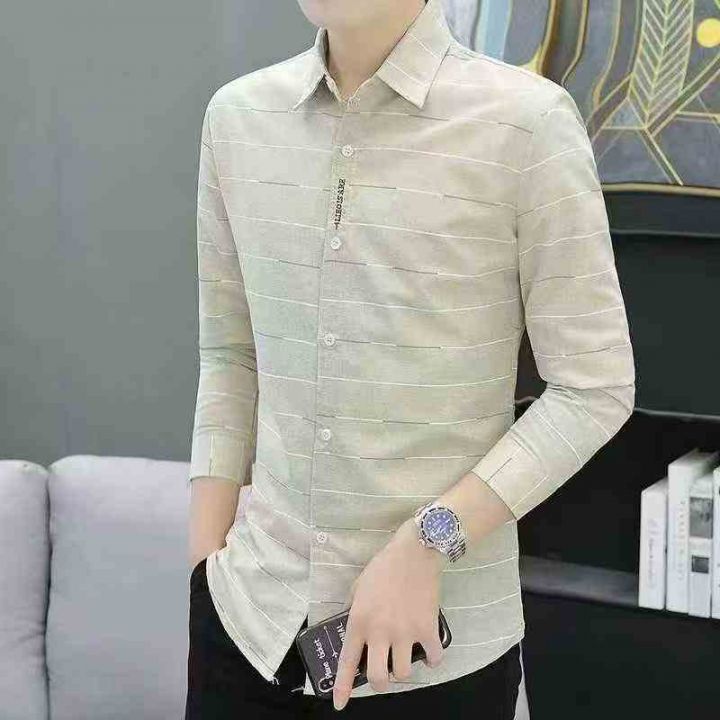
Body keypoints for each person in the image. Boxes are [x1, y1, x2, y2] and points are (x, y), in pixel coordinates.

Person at [184, 0, 636, 717]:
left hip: (432, 661)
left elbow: (595, 388)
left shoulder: (527, 125)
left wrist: (429, 540)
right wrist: (203, 569)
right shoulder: (237, 118)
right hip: (244, 629)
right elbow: (231, 353)